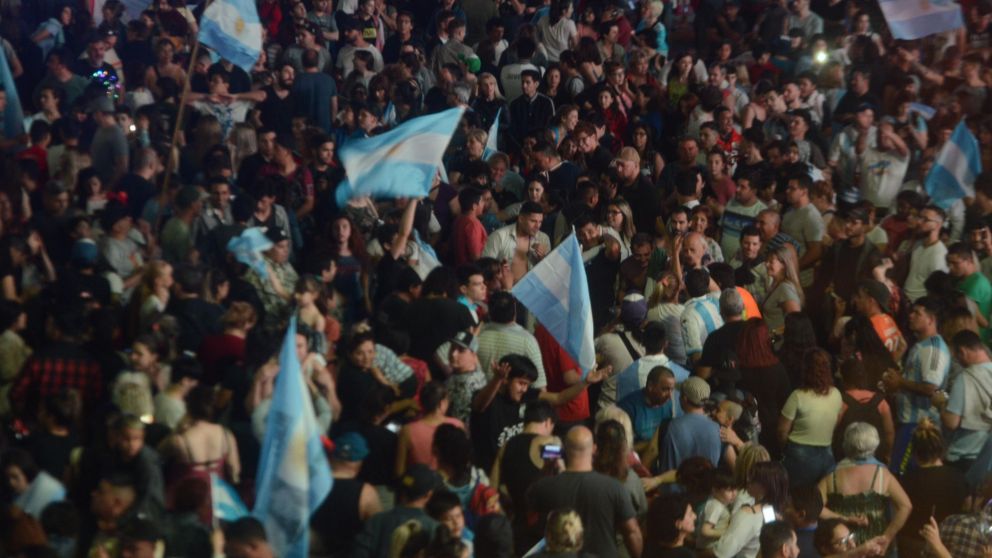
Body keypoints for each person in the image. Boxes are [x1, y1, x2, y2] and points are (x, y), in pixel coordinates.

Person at [527, 426, 642, 558]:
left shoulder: (544, 487)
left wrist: (546, 469)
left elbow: (529, 513)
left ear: (564, 449)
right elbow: (632, 532)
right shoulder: (614, 487)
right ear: (594, 449)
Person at [819, 422, 912, 557]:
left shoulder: (832, 475)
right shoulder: (882, 474)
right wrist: (887, 537)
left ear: (846, 443)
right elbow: (906, 506)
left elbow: (815, 508)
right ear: (875, 444)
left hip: (844, 547)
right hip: (875, 546)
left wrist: (844, 518)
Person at [779, 348, 842, 488]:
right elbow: (836, 423)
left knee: (796, 497)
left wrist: (786, 449)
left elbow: (782, 431)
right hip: (827, 453)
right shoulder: (837, 394)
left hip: (799, 454)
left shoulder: (797, 396)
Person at [657, 377, 721, 472]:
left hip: (669, 485)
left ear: (684, 399)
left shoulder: (668, 425)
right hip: (705, 486)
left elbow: (652, 451)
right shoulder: (718, 429)